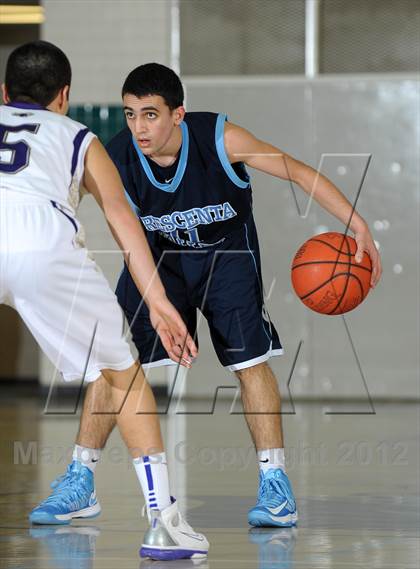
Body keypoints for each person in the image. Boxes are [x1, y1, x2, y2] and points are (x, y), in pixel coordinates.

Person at [35, 63, 382, 531]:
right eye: (131, 114)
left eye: (151, 115)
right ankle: (80, 479)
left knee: (249, 364)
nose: (138, 127)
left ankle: (275, 485)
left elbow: (298, 172)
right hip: (160, 263)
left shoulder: (221, 139)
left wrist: (357, 222)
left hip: (228, 257)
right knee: (111, 361)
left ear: (179, 114)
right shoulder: (116, 157)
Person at [1, 42, 209, 561]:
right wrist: (159, 304)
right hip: (40, 245)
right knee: (123, 373)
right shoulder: (78, 137)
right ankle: (164, 523)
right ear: (64, 96)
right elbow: (124, 225)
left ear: (4, 93)